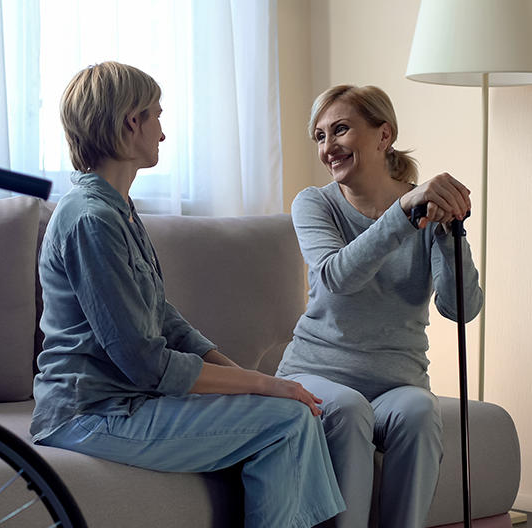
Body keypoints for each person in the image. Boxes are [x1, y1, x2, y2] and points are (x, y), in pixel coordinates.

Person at [30, 61, 345, 528]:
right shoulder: (91, 220)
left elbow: (164, 318)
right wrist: (264, 384)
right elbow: (146, 361)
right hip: (90, 414)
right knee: (288, 421)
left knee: (289, 411)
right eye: (156, 115)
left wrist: (252, 379)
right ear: (131, 122)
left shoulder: (119, 211)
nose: (162, 133)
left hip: (129, 402)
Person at [276, 84, 484, 528]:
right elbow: (337, 277)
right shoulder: (314, 203)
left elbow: (460, 308)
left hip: (397, 381)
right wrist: (403, 212)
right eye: (319, 136)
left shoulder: (421, 207)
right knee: (349, 409)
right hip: (317, 375)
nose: (328, 147)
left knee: (421, 410)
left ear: (383, 134)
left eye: (341, 130)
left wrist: (449, 235)